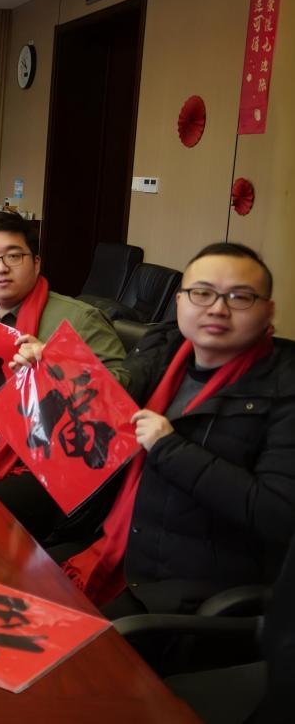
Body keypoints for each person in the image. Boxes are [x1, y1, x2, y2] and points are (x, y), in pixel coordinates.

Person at [60, 242, 294, 618]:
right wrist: (54, 368)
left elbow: (277, 515)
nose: (217, 308)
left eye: (240, 297)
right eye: (202, 293)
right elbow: (114, 391)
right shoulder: (166, 349)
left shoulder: (285, 388)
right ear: (180, 301)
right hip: (120, 541)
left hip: (192, 584)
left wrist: (169, 448)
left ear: (268, 310)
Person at [0, 212, 129, 543]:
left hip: (49, 466)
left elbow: (123, 392)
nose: (1, 268)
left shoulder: (79, 319)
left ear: (36, 262)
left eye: (13, 256)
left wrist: (55, 365)